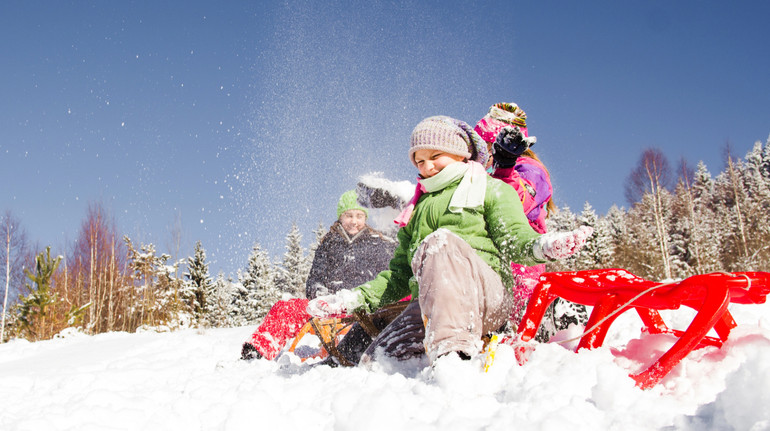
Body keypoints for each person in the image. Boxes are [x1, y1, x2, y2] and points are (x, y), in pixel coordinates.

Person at [305, 115, 592, 366]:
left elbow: (515, 240)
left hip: (485, 297)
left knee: (440, 242)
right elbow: (397, 276)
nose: (427, 167)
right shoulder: (416, 210)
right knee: (379, 363)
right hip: (432, 303)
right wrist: (352, 298)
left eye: (435, 156)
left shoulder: (490, 189)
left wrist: (544, 246)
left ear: (459, 153)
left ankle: (454, 360)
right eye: (420, 160)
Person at [241, 190, 396, 360]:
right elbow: (314, 279)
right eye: (349, 215)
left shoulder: (378, 244)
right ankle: (256, 353)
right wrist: (319, 293)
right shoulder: (329, 244)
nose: (354, 221)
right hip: (329, 306)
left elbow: (391, 278)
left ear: (365, 218)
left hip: (363, 307)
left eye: (359, 216)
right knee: (286, 308)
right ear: (340, 217)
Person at [476, 102, 588, 337]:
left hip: (520, 266)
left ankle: (548, 325)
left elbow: (520, 200)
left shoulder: (530, 170)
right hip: (487, 262)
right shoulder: (481, 172)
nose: (484, 151)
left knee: (518, 327)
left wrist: (505, 167)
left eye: (488, 144)